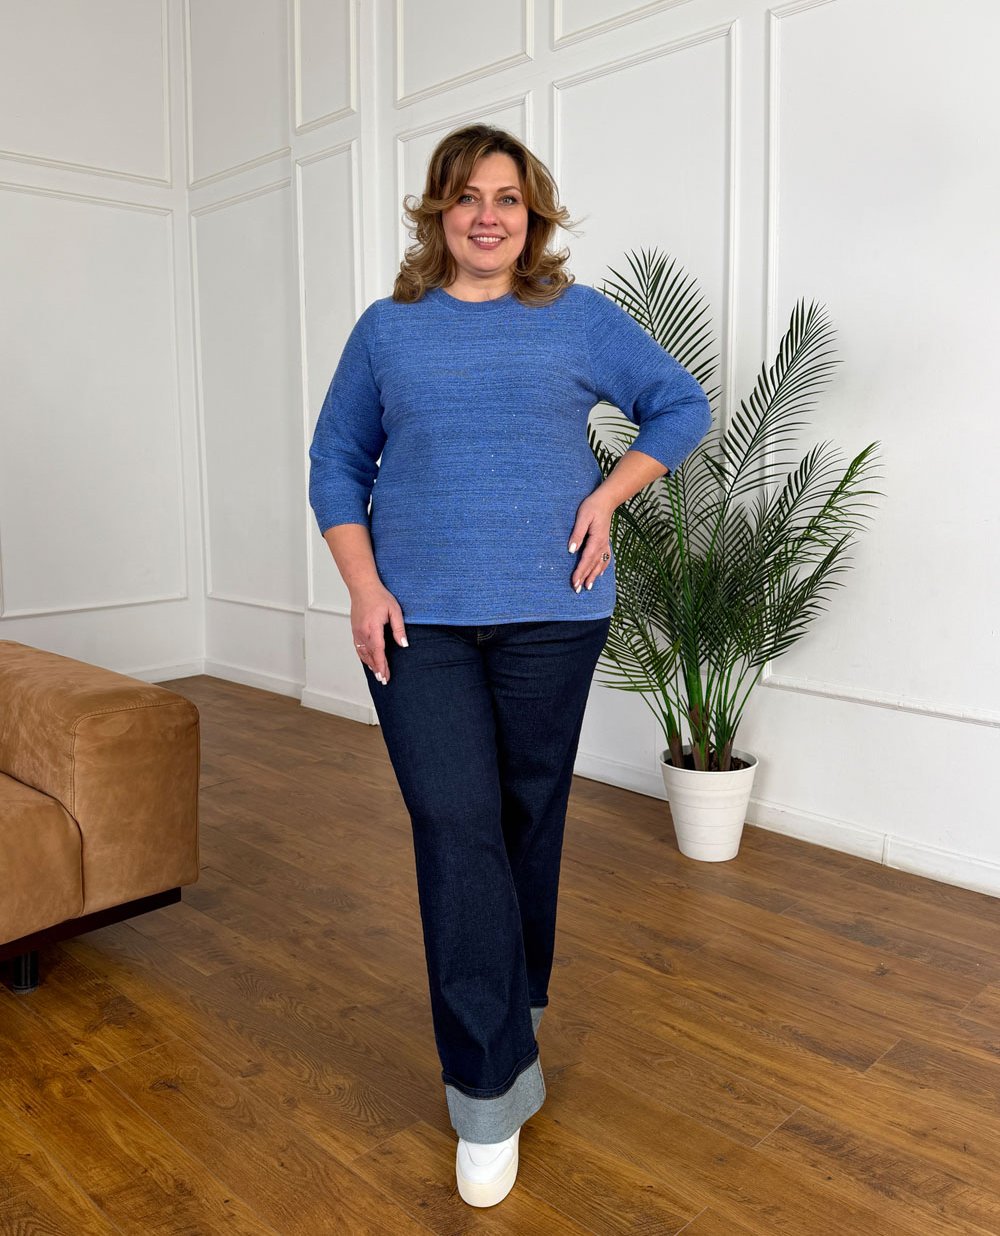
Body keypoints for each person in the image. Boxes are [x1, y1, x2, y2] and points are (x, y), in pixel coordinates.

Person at [308, 123, 711, 1208]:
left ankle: (512, 1005)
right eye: (466, 197)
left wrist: (608, 495)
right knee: (455, 824)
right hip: (417, 623)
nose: (487, 216)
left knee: (529, 817)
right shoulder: (388, 331)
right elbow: (335, 462)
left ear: (531, 217)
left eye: (507, 199)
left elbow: (681, 403)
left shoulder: (575, 317)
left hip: (552, 615)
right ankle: (487, 1091)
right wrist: (364, 586)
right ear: (436, 212)